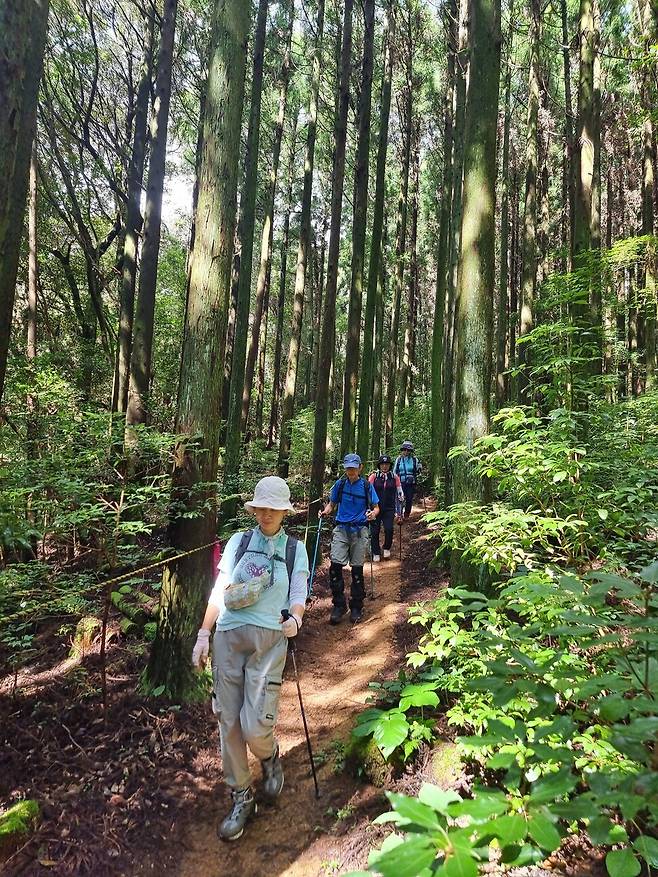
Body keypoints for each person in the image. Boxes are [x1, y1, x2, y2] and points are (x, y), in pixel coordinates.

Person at [191, 475, 310, 842]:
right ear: (254, 509)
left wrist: (296, 619)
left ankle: (269, 756)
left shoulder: (295, 549)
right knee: (228, 721)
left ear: (284, 512)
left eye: (273, 508)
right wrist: (204, 633)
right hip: (227, 637)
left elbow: (298, 591)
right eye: (261, 508)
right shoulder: (238, 542)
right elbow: (220, 589)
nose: (266, 514)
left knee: (255, 725)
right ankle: (242, 795)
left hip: (270, 642)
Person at [319, 453, 379, 625]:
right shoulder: (340, 484)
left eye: (353, 468)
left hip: (360, 530)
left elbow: (376, 507)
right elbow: (332, 504)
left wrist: (372, 514)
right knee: (335, 567)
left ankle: (356, 606)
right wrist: (325, 511)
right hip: (341, 529)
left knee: (357, 569)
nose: (351, 471)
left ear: (360, 468)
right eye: (348, 468)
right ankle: (339, 605)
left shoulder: (366, 486)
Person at [368, 454, 404, 561]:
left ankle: (387, 547)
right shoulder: (373, 477)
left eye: (387, 464)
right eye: (382, 464)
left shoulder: (394, 477)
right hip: (375, 508)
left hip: (389, 507)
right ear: (379, 465)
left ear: (390, 465)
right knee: (375, 531)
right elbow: (368, 491)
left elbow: (399, 492)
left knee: (389, 529)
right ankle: (375, 552)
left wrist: (400, 509)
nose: (384, 466)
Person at [394, 440, 422, 518]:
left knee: (409, 499)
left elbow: (417, 470)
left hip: (411, 483)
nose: (406, 451)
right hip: (400, 483)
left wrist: (419, 467)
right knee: (400, 499)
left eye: (408, 450)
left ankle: (406, 514)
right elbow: (395, 471)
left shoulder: (414, 460)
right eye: (404, 449)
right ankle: (399, 515)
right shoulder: (398, 459)